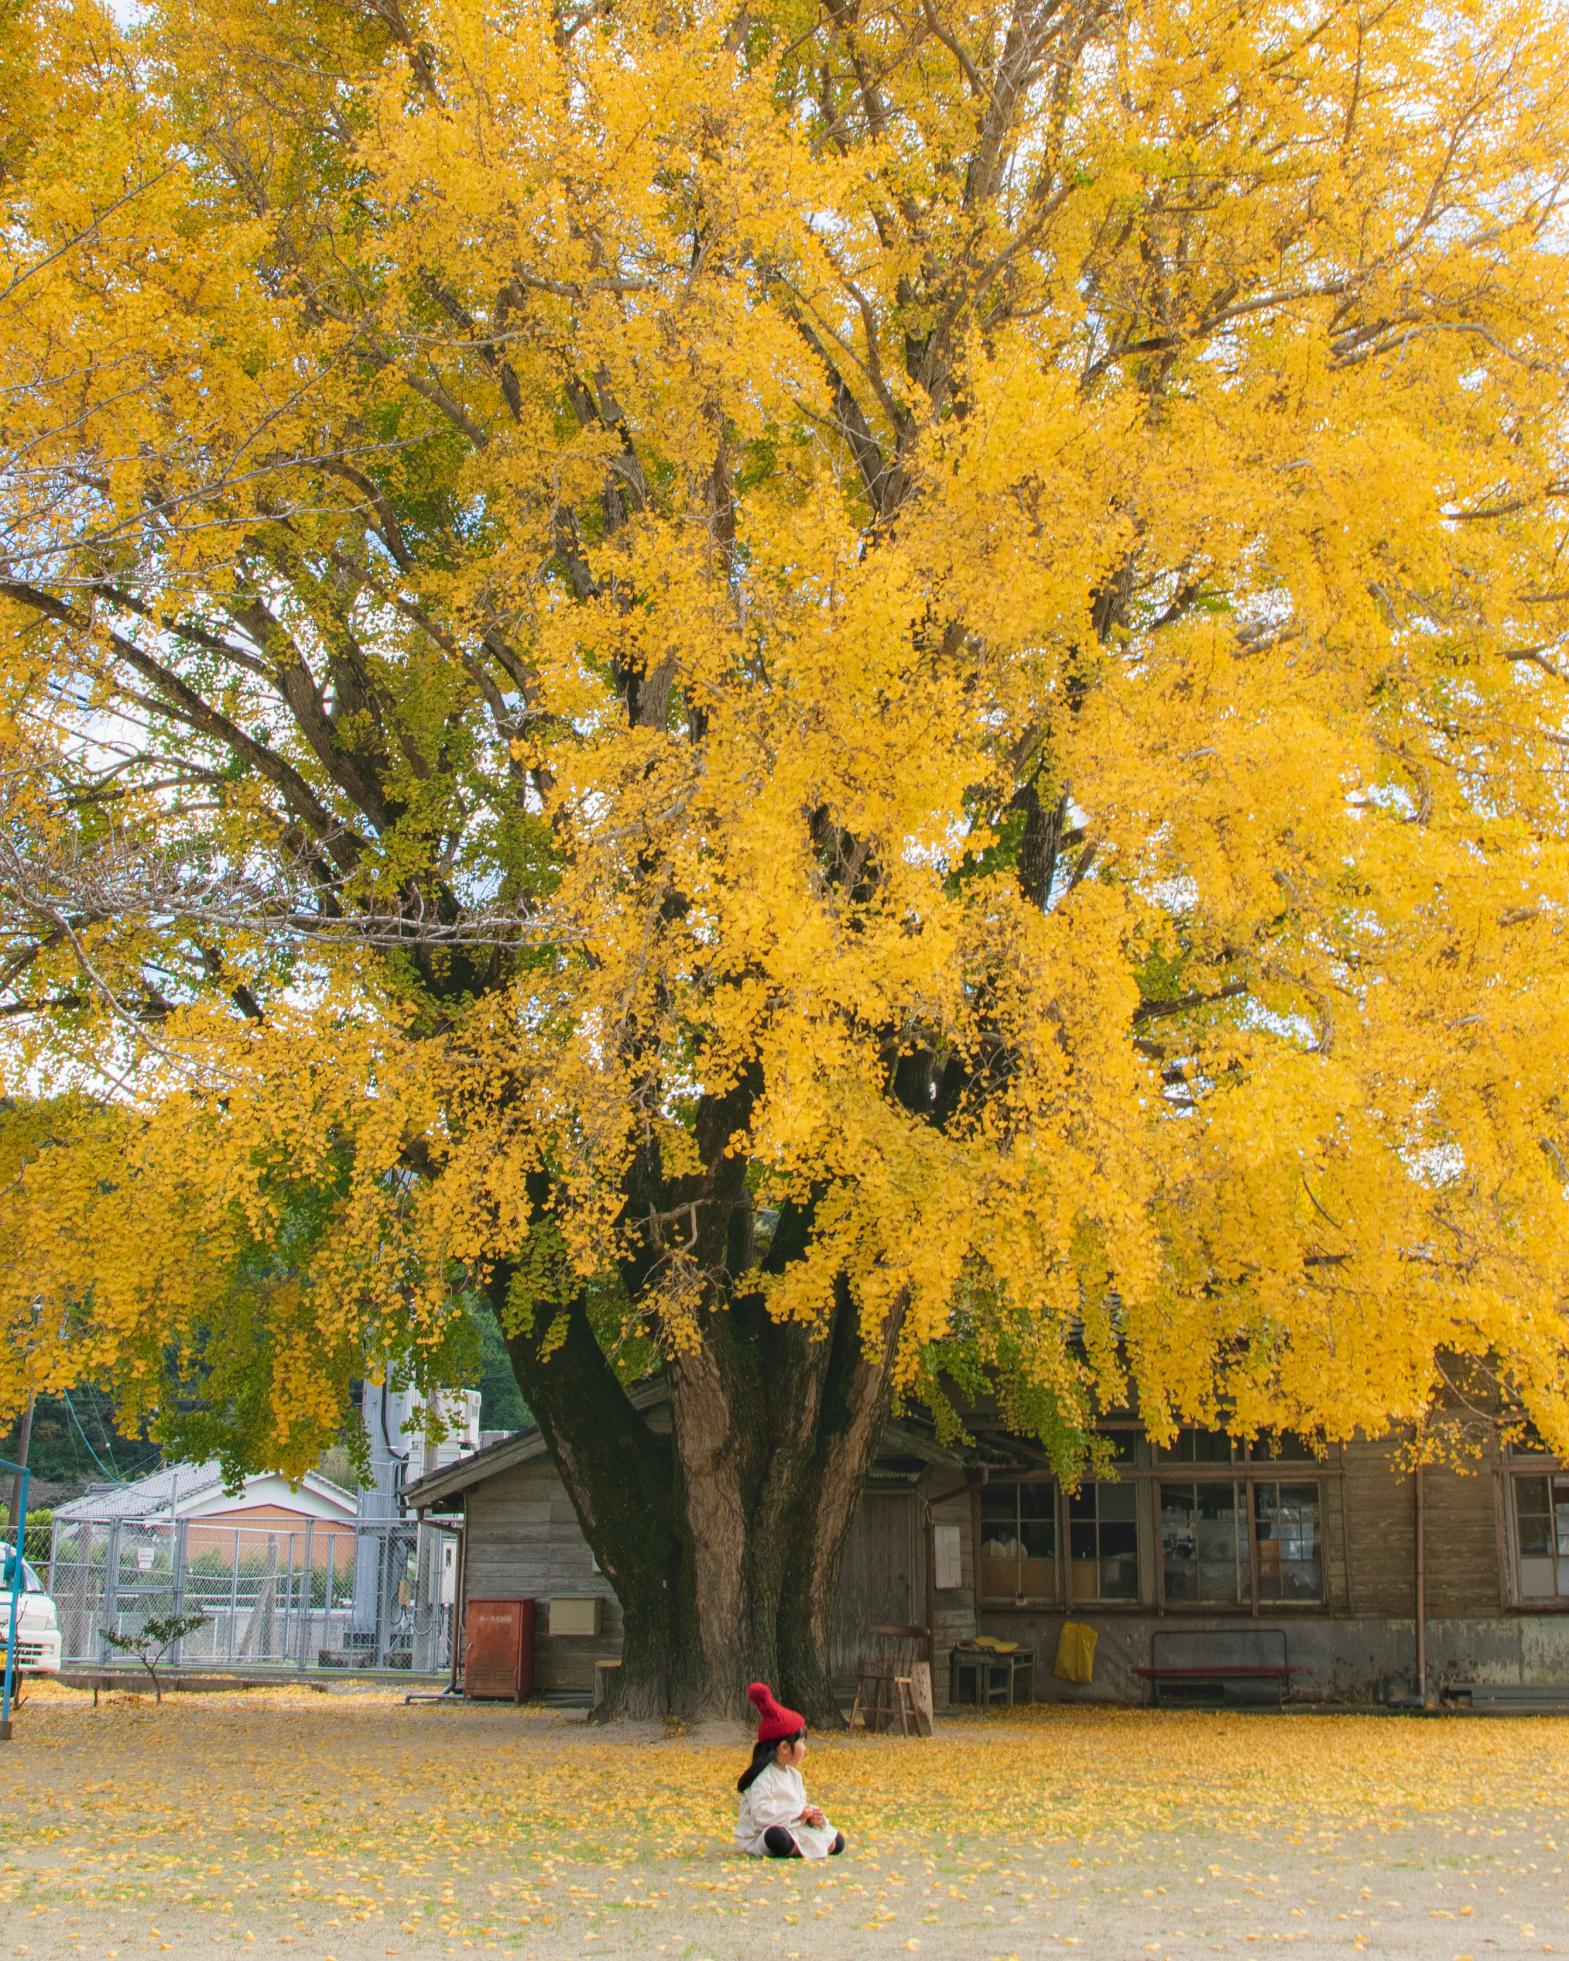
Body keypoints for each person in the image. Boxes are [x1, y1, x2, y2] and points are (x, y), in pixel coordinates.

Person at [736, 1682, 846, 1859]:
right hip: (766, 1831)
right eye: (801, 1742)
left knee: (837, 1841)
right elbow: (762, 1814)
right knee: (776, 1837)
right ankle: (795, 1848)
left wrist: (811, 1816)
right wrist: (797, 1813)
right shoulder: (762, 1777)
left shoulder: (795, 1776)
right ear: (785, 1747)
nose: (804, 1747)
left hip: (795, 1826)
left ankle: (800, 1847)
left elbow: (801, 1803)